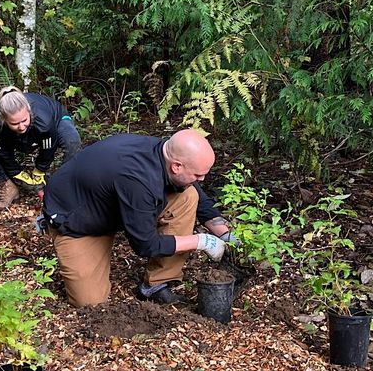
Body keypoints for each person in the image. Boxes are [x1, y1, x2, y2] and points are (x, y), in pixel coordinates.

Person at [39, 129, 234, 306]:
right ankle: (48, 225)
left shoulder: (164, 151)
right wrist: (201, 241)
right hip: (77, 219)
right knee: (89, 302)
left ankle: (157, 284)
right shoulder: (139, 181)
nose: (202, 180)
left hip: (114, 202)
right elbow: (145, 244)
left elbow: (195, 192)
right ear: (176, 166)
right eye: (198, 175)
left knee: (188, 195)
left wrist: (225, 235)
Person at [0, 87, 82, 209]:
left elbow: (49, 147)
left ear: (29, 111)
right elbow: (2, 152)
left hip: (56, 119)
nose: (21, 127)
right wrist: (16, 172)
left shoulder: (44, 121)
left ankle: (63, 187)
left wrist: (40, 169)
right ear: (4, 119)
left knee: (72, 140)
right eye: (15, 123)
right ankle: (9, 186)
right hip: (17, 135)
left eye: (24, 120)